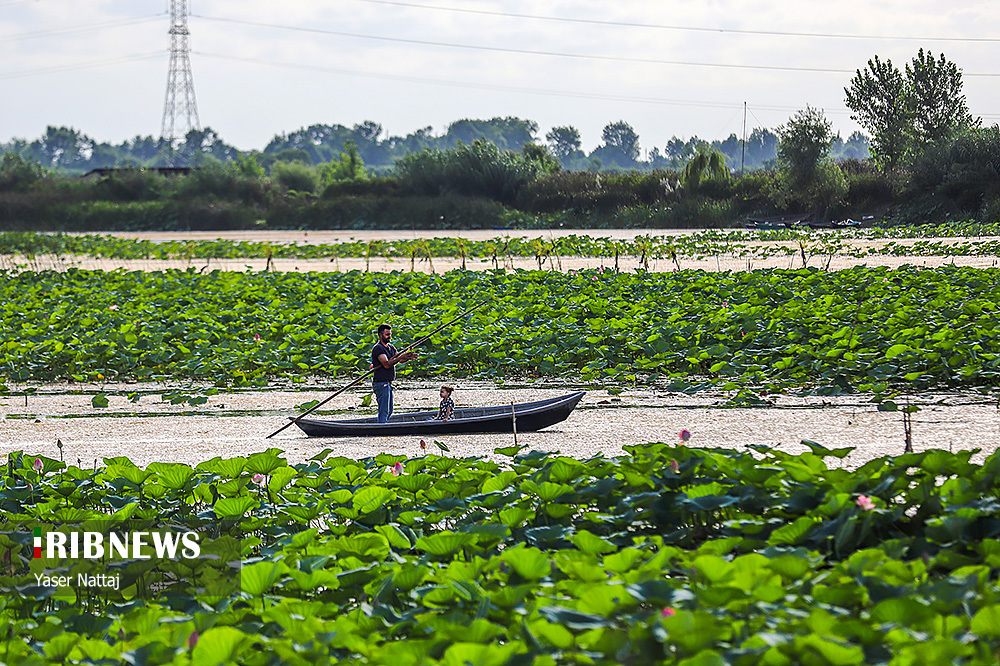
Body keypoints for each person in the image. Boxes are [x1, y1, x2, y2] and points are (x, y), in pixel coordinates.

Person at [371, 324, 417, 424]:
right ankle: (381, 429)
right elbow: (386, 364)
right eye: (387, 334)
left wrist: (408, 356)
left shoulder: (391, 347)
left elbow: (399, 360)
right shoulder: (378, 348)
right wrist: (401, 357)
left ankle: (383, 425)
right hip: (381, 383)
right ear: (380, 335)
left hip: (388, 383)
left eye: (390, 334)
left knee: (390, 410)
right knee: (384, 411)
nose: (389, 337)